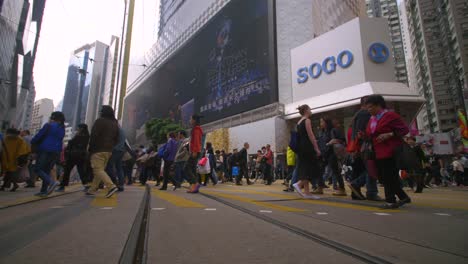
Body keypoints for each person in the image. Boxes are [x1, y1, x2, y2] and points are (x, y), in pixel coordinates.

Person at [365, 95, 411, 209]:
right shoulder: (372, 119)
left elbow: (405, 129)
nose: (368, 110)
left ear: (378, 105)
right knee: (384, 177)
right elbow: (370, 133)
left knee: (388, 176)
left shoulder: (390, 115)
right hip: (378, 151)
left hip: (390, 150)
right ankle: (403, 197)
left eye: (370, 107)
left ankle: (391, 201)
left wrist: (390, 134)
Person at [348, 96, 383, 201]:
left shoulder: (358, 114)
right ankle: (369, 191)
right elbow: (362, 132)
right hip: (366, 146)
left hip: (361, 146)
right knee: (372, 168)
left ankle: (366, 190)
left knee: (369, 169)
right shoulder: (364, 113)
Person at [86, 105, 120, 198]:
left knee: (97, 169)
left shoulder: (99, 121)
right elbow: (117, 138)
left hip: (98, 149)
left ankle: (111, 186)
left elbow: (93, 135)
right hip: (109, 150)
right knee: (100, 170)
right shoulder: (115, 123)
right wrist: (111, 146)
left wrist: (90, 148)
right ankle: (92, 189)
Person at [31, 112, 66, 196]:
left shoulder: (49, 125)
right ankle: (44, 191)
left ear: (53, 117)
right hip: (56, 151)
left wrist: (33, 142)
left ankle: (51, 182)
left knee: (38, 169)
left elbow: (39, 136)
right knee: (46, 170)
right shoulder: (62, 128)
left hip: (45, 149)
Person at [292, 105, 322, 197]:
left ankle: (307, 192)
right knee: (311, 169)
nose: (311, 110)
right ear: (306, 110)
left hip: (301, 148)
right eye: (309, 109)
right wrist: (316, 148)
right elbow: (311, 135)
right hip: (307, 147)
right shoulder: (307, 120)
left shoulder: (299, 122)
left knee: (305, 168)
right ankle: (299, 184)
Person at [58, 124, 90, 192]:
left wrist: (68, 148)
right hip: (82, 156)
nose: (77, 129)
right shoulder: (87, 136)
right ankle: (86, 185)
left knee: (67, 171)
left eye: (78, 128)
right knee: (81, 171)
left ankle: (62, 186)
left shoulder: (78, 136)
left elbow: (71, 143)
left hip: (73, 156)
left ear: (81, 128)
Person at [105, 126, 127, 192]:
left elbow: (112, 140)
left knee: (109, 166)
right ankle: (121, 185)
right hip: (121, 150)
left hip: (115, 150)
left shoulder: (115, 129)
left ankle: (114, 184)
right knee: (119, 168)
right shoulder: (122, 130)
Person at [186, 115, 203, 193]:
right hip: (195, 151)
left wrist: (195, 151)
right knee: (192, 169)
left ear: (194, 120)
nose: (190, 120)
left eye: (191, 119)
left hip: (195, 151)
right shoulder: (197, 129)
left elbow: (196, 141)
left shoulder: (196, 129)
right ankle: (194, 187)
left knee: (186, 168)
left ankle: (195, 183)